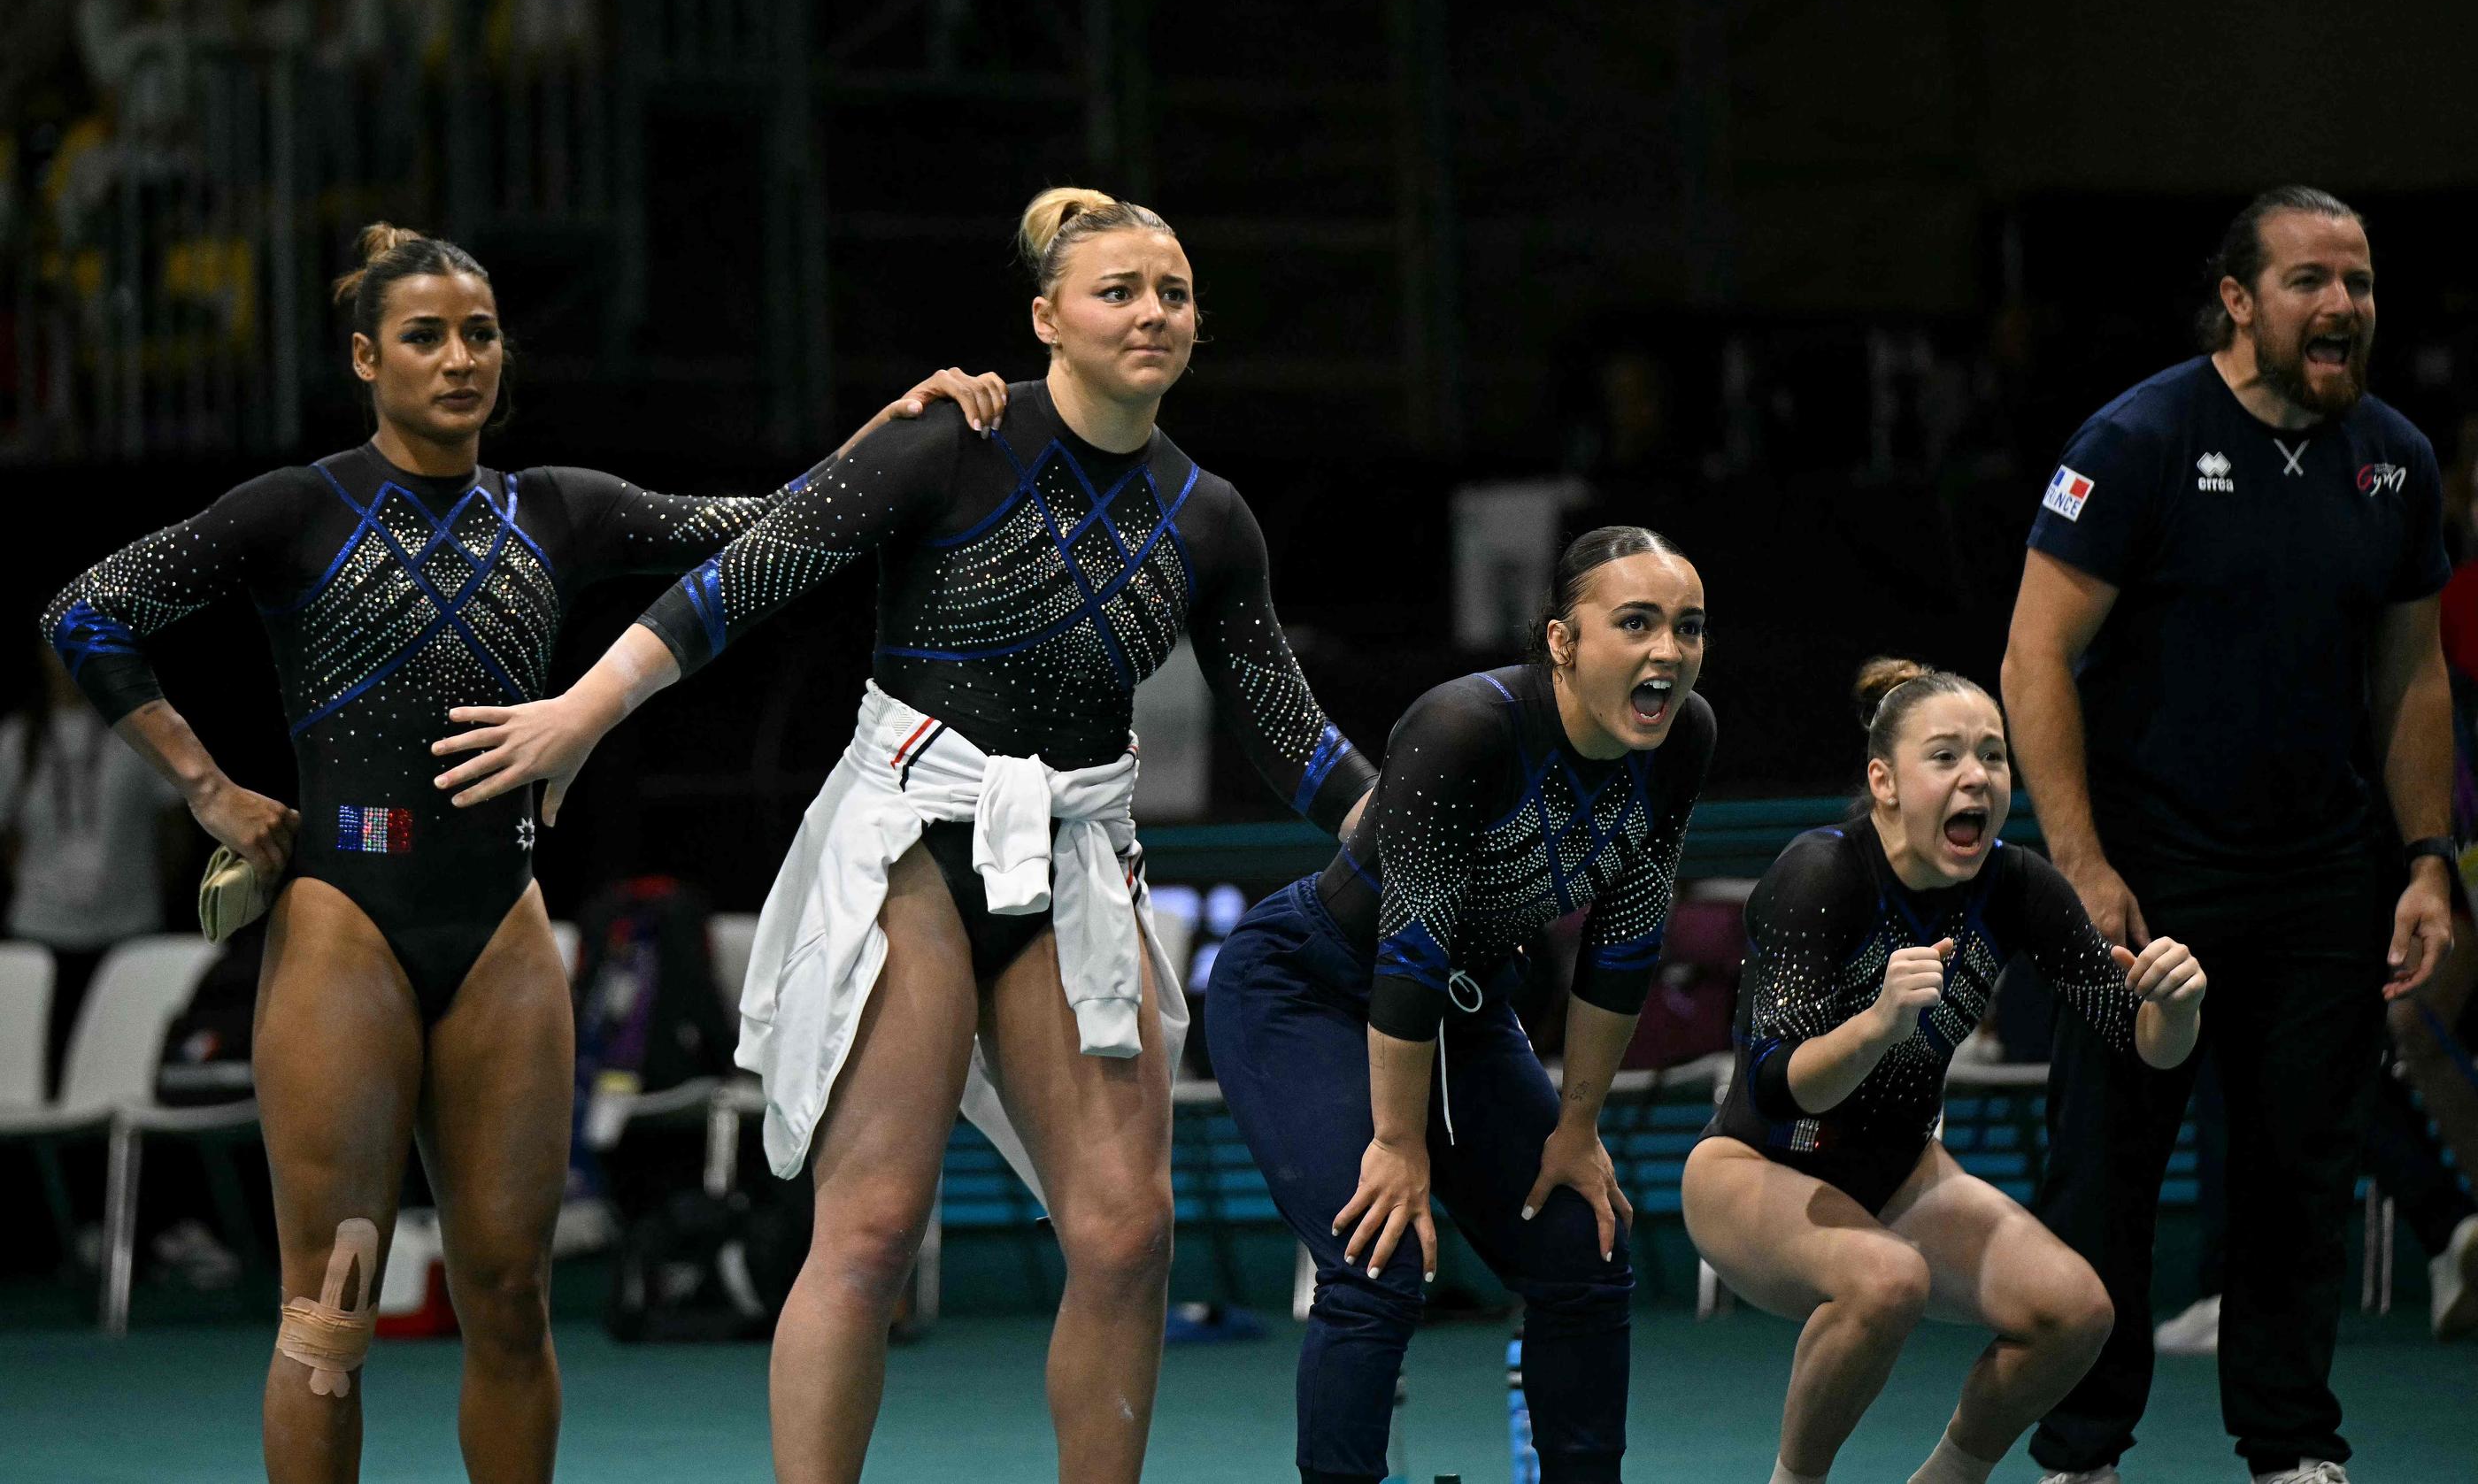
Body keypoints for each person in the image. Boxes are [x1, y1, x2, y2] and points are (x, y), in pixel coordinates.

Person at [431, 188, 1378, 1484]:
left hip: (1069, 863)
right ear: (1047, 316)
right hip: (912, 849)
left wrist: (1414, 839)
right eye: (1117, 290)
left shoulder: (1208, 516)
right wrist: (580, 718)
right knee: (871, 1230)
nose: (1150, 312)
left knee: (1125, 1232)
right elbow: (742, 578)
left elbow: (1287, 730)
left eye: (1172, 291)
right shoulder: (948, 442)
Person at [36, 221, 987, 1484]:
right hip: (344, 919)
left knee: (512, 1291)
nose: (458, 357)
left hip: (500, 926)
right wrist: (209, 791)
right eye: (423, 336)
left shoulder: (558, 507)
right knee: (332, 1303)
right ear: (367, 358)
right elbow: (84, 610)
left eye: (479, 332)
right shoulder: (297, 507)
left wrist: (897, 427)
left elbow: (768, 525)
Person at [2000, 186, 2454, 1484]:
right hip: (2146, 878)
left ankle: (2292, 1447)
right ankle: (2082, 1447)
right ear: (2240, 300)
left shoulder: (2396, 460)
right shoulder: (2137, 438)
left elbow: (2414, 676)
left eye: (2359, 281)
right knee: (2108, 1177)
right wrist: (2080, 862)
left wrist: (2424, 857)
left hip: (2324, 876)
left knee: (2300, 1172)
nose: (2344, 306)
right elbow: (2036, 652)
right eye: (2311, 280)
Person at [1206, 525, 1716, 1484]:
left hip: (1459, 1007)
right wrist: (1397, 1143)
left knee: (1584, 1251)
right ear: (1562, 642)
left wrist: (1577, 1125)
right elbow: (1410, 946)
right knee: (1377, 1262)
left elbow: (1624, 939)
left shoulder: (1683, 737)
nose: (1668, 652)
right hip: (1306, 987)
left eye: (1687, 628)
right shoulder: (1464, 725)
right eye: (1637, 623)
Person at [1683, 659, 2207, 1484]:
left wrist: (2175, 1008)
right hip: (1756, 1165)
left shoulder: (2017, 883)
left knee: (2075, 1312)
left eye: (1993, 756)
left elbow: (2136, 1038)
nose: (1978, 777)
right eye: (1948, 756)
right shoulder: (1819, 873)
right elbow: (1778, 1088)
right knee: (1888, 1279)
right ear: (1883, 780)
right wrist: (1878, 1024)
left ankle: (1950, 1478)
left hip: (1898, 1170)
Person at [0, 639, 189, 1093]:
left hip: (129, 928)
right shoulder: (15, 739)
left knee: (125, 1070)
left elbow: (174, 830)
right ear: (42, 656)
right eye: (55, 647)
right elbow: (7, 837)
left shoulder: (139, 733)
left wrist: (148, 891)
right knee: (37, 1072)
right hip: (41, 930)